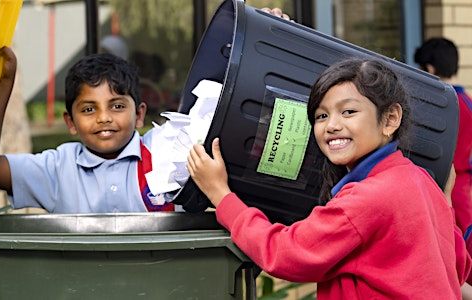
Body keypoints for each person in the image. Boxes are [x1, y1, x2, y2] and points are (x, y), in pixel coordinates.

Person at [187, 58, 472, 299]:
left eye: (348, 111)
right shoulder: (420, 180)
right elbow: (459, 269)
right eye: (321, 115)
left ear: (390, 119)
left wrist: (221, 195)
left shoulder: (367, 198)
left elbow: (285, 253)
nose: (332, 125)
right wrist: (445, 203)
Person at [0, 46, 175, 213]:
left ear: (139, 115)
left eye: (117, 106)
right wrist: (4, 84)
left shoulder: (164, 153)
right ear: (71, 122)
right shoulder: (58, 169)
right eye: (88, 109)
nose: (103, 117)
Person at [414, 37, 472, 234]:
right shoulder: (468, 104)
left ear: (429, 69)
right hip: (463, 188)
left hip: (439, 185)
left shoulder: (434, 107)